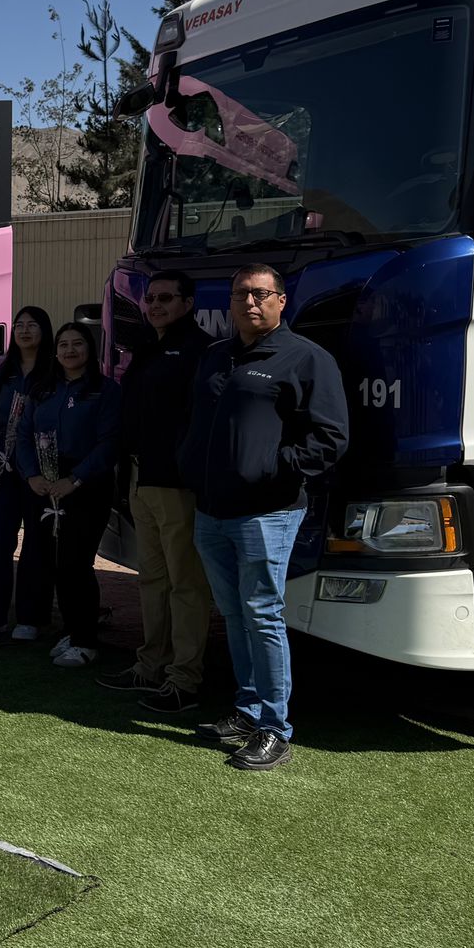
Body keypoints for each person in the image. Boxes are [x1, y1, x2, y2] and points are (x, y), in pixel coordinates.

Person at [179, 263, 349, 773]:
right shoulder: (216, 356)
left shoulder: (307, 358)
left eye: (259, 294)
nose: (249, 303)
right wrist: (191, 464)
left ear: (280, 300)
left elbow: (331, 437)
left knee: (263, 614)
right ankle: (248, 710)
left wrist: (272, 468)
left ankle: (275, 728)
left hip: (266, 512)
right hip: (211, 510)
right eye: (240, 295)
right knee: (234, 613)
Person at [97, 271, 215, 712]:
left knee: (186, 583)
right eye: (151, 298)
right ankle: (150, 665)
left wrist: (183, 466)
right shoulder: (147, 349)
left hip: (175, 485)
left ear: (188, 303)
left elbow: (201, 421)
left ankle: (184, 678)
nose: (155, 305)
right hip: (138, 478)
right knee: (151, 578)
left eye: (166, 298)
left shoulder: (203, 351)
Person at [15, 323, 122, 667]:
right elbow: (23, 435)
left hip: (86, 487)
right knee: (54, 562)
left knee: (76, 563)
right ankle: (73, 629)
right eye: (63, 344)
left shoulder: (105, 390)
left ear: (89, 349)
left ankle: (85, 641)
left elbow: (109, 443)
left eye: (77, 344)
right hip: (45, 485)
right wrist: (32, 475)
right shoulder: (42, 390)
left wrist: (75, 480)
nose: (70, 350)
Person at [0, 306, 55, 638]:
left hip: (38, 472)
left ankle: (30, 618)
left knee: (37, 543)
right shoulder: (4, 372)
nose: (24, 330)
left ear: (44, 331)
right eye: (19, 325)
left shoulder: (53, 372)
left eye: (32, 325)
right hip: (2, 470)